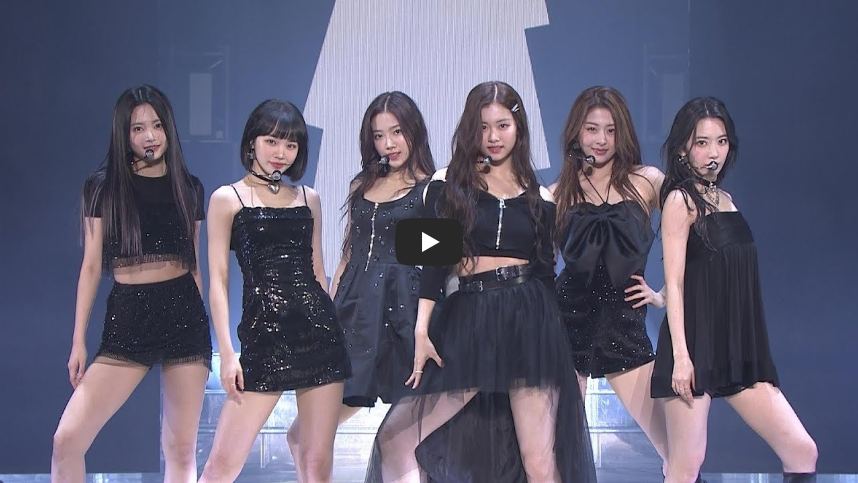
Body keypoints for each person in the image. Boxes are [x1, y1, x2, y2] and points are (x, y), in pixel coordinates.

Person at [364, 81, 596, 483]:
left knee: (540, 463)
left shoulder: (541, 197)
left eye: (503, 125)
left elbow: (546, 275)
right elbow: (433, 264)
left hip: (531, 321)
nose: (493, 136)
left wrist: (563, 358)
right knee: (396, 438)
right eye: (483, 126)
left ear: (519, 128)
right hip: (469, 319)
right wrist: (421, 330)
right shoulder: (447, 184)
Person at [651, 97, 818, 483]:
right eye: (702, 142)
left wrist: (658, 295)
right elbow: (676, 280)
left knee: (802, 450)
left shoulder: (726, 200)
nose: (714, 153)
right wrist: (681, 358)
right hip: (693, 348)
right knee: (685, 466)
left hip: (738, 347)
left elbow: (710, 268)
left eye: (721, 141)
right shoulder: (680, 200)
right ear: (683, 149)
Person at [52, 85, 211, 483]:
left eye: (157, 125)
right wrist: (78, 341)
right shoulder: (103, 188)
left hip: (184, 314)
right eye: (138, 129)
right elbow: (91, 267)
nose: (150, 136)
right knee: (67, 440)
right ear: (123, 135)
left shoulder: (189, 187)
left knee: (180, 450)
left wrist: (204, 324)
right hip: (128, 316)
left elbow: (194, 264)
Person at [199, 99, 351, 483]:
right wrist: (227, 354)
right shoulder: (226, 199)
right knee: (221, 466)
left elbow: (318, 272)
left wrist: (337, 328)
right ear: (252, 142)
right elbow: (218, 281)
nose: (281, 153)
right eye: (272, 141)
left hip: (319, 336)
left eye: (291, 145)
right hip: (263, 339)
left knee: (316, 466)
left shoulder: (309, 199)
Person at [552, 86, 669, 472]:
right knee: (560, 453)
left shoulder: (647, 181)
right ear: (576, 133)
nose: (601, 139)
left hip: (625, 326)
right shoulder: (558, 194)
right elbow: (537, 266)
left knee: (676, 449)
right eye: (592, 129)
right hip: (566, 325)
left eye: (611, 130)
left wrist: (665, 294)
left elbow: (694, 231)